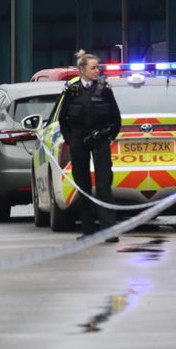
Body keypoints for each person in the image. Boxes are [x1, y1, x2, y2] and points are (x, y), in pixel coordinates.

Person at [58, 50, 122, 241]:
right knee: (83, 185)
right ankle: (88, 231)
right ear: (81, 70)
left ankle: (109, 231)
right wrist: (71, 139)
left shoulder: (104, 89)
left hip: (100, 141)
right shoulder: (72, 91)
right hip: (79, 142)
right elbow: (63, 119)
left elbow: (115, 118)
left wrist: (108, 136)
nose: (97, 71)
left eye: (98, 68)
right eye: (93, 68)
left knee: (104, 186)